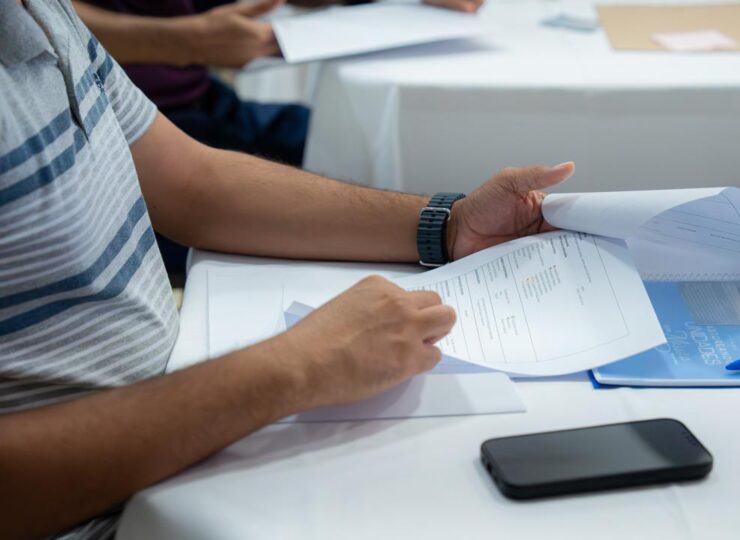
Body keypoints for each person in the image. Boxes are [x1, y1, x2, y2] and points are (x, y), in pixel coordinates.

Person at [0, 1, 571, 538]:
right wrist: (295, 368)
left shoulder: (44, 13)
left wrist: (448, 225)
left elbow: (194, 184)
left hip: (179, 438)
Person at [72, 0, 484, 273]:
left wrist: (452, 225)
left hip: (200, 102)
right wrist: (187, 40)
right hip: (128, 126)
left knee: (359, 145)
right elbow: (194, 188)